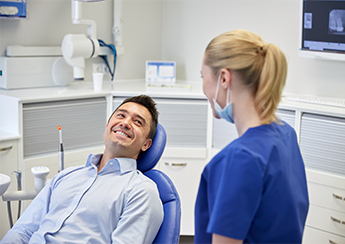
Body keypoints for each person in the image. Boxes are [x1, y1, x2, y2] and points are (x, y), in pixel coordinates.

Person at [195, 30, 309, 244]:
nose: (203, 87)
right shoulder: (286, 135)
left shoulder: (239, 158)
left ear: (224, 78)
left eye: (203, 76)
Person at [1, 95, 164, 244]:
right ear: (107, 126)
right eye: (121, 115)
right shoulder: (66, 176)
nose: (125, 123)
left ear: (146, 144)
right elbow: (23, 230)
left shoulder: (142, 191)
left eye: (138, 122)